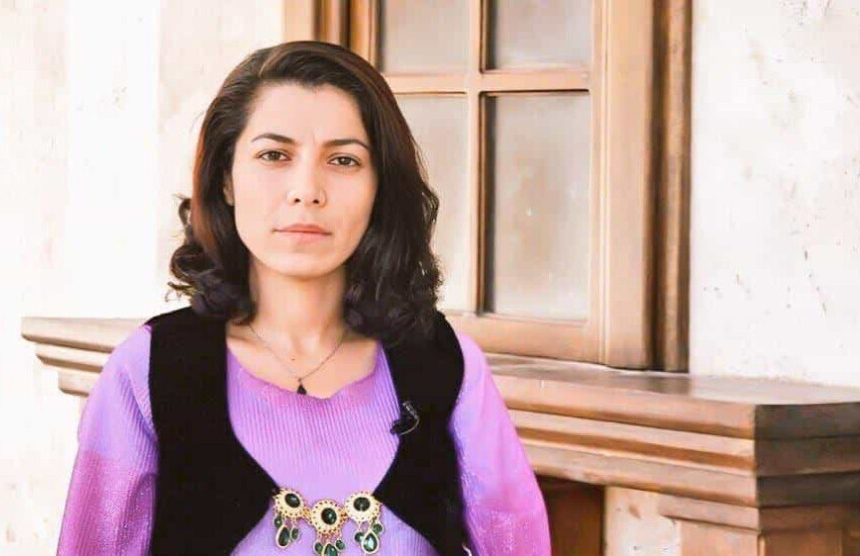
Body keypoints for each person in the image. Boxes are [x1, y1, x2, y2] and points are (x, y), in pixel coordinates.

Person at [55, 41, 551, 556]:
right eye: (274, 155)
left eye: (343, 160)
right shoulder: (149, 370)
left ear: (380, 188)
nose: (307, 190)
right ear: (226, 179)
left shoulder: (447, 367)